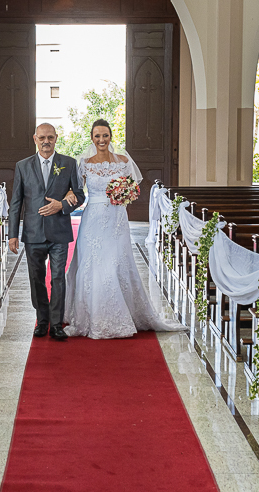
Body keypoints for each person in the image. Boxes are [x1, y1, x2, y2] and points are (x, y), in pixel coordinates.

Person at [63, 120, 185, 339]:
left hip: (116, 219)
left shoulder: (123, 161)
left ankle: (120, 314)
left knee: (115, 263)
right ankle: (91, 315)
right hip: (92, 220)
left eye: (105, 135)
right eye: (97, 136)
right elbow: (77, 190)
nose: (101, 140)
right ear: (92, 138)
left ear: (111, 136)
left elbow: (133, 188)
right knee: (92, 265)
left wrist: (124, 194)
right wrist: (69, 194)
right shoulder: (85, 163)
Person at [8, 123, 86, 341]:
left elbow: (80, 195)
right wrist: (12, 234)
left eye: (50, 137)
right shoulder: (23, 166)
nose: (46, 142)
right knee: (36, 279)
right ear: (35, 139)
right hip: (33, 233)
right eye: (42, 138)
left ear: (56, 138)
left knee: (58, 278)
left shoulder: (68, 163)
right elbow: (16, 202)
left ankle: (56, 324)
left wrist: (62, 205)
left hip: (59, 231)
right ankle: (42, 321)